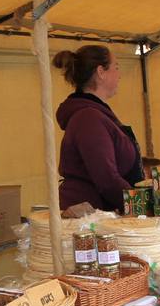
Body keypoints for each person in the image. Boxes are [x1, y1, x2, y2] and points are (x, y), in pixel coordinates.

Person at [53, 45, 144, 213]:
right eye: (116, 67)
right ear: (101, 72)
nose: (119, 75)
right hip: (91, 219)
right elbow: (107, 179)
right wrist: (141, 206)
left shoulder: (96, 113)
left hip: (101, 214)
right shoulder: (88, 119)